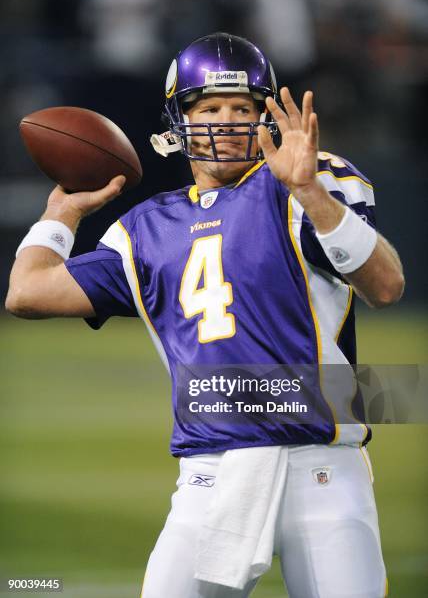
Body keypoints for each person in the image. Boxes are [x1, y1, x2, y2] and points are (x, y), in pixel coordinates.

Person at [6, 33, 404, 598]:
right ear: (179, 121)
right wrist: (61, 213)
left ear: (265, 117)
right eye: (209, 108)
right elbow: (26, 293)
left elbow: (386, 286)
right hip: (209, 471)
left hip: (319, 466)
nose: (226, 121)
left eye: (242, 108)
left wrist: (311, 192)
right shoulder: (145, 229)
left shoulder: (302, 184)